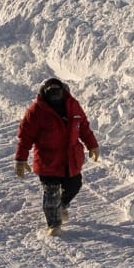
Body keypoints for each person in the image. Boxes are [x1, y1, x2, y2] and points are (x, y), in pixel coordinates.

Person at [14, 78, 100, 237]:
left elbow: (84, 128)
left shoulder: (73, 106)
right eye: (50, 90)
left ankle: (62, 206)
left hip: (70, 160)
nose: (54, 93)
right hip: (48, 162)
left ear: (63, 91)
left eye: (57, 90)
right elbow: (25, 137)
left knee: (75, 185)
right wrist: (20, 159)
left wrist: (92, 145)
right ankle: (53, 224)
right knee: (51, 193)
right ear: (44, 93)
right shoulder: (36, 111)